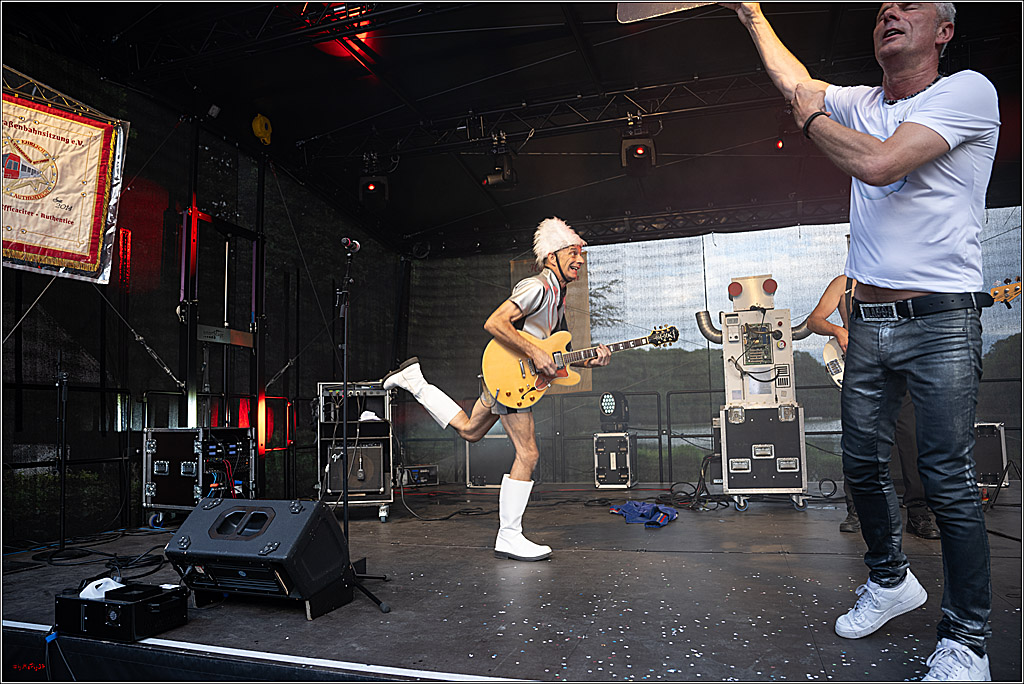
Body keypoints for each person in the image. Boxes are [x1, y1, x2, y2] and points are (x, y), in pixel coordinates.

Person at [723, 3, 999, 680]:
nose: (890, 12)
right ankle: (889, 581)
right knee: (862, 467)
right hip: (868, 323)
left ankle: (967, 642)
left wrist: (810, 120)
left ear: (944, 32)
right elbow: (798, 83)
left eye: (909, 4)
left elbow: (879, 165)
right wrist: (750, 12)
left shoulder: (967, 93)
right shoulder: (862, 102)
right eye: (882, 9)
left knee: (947, 481)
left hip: (940, 321)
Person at [382, 217, 611, 562]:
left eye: (581, 254)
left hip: (508, 375)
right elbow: (495, 322)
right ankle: (509, 535)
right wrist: (535, 353)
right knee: (528, 454)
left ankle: (414, 381)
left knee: (470, 430)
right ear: (552, 256)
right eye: (573, 253)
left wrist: (588, 360)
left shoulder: (557, 296)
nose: (579, 259)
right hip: (511, 377)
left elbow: (555, 354)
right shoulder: (536, 287)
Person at [807, 275, 940, 540]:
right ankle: (856, 511)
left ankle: (918, 513)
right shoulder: (844, 284)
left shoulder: (901, 279)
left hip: (900, 370)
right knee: (858, 442)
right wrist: (838, 330)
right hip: (861, 373)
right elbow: (814, 320)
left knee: (912, 442)